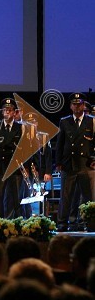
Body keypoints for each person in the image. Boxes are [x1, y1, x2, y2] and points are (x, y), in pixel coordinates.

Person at [56, 92, 95, 231]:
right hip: (69, 164)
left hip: (86, 164)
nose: (77, 107)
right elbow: (60, 144)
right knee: (66, 197)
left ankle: (88, 223)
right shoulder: (64, 121)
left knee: (88, 198)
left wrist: (94, 159)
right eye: (74, 104)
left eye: (79, 104)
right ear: (70, 106)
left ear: (83, 105)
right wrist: (58, 163)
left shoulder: (92, 120)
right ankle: (62, 223)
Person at [0, 98, 23, 219]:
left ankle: (17, 220)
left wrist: (26, 167)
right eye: (5, 110)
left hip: (15, 166)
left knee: (16, 196)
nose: (7, 112)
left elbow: (24, 149)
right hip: (0, 166)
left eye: (9, 110)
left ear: (14, 112)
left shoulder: (20, 128)